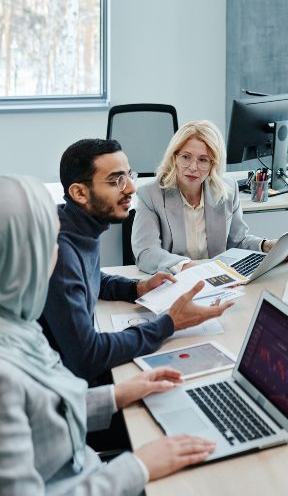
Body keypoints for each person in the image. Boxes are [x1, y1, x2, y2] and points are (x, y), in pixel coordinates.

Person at [0, 174, 216, 495]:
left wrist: (117, 395)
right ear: (19, 256)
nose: (57, 256)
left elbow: (47, 413)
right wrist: (138, 466)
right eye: (47, 242)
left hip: (89, 469)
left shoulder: (19, 326)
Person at [40, 139, 233, 383]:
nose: (131, 187)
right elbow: (88, 356)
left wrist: (135, 288)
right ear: (79, 193)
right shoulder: (61, 252)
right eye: (115, 180)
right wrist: (169, 323)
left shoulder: (76, 223)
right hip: (60, 389)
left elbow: (89, 275)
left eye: (128, 175)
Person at [132, 120, 284, 274]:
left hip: (216, 281)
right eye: (186, 157)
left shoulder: (228, 190)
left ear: (213, 164)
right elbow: (146, 252)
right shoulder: (150, 194)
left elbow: (237, 242)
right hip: (173, 281)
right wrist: (186, 266)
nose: (193, 167)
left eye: (203, 160)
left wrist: (266, 245)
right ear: (174, 158)